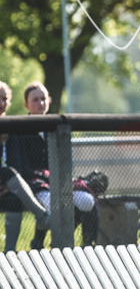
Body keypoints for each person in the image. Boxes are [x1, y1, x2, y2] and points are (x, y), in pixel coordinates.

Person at [9, 81, 99, 248]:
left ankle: (88, 244)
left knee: (87, 200)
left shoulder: (57, 127)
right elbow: (18, 166)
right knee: (56, 204)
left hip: (59, 182)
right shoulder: (18, 129)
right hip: (34, 184)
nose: (40, 103)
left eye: (43, 99)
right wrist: (46, 176)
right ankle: (42, 243)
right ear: (26, 104)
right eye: (35, 100)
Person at [0, 81, 51, 252]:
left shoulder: (9, 126)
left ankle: (9, 253)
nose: (1, 103)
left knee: (14, 201)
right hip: (6, 175)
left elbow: (13, 161)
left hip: (5, 182)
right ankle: (42, 215)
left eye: (4, 98)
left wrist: (6, 185)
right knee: (8, 172)